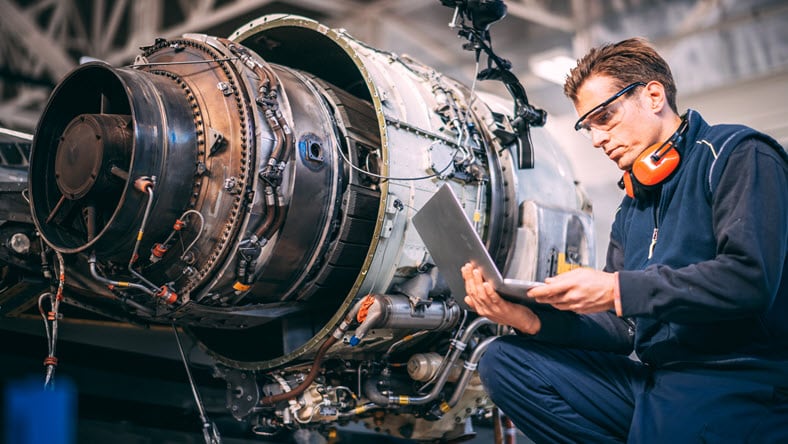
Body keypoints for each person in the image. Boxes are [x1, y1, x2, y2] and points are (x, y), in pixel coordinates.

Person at [461, 37, 788, 442]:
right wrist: (527, 319)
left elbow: (748, 279)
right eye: (588, 128)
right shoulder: (632, 206)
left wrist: (616, 288)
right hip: (660, 382)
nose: (597, 139)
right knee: (504, 363)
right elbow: (623, 331)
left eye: (605, 117)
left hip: (740, 379)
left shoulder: (739, 155)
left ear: (653, 95)